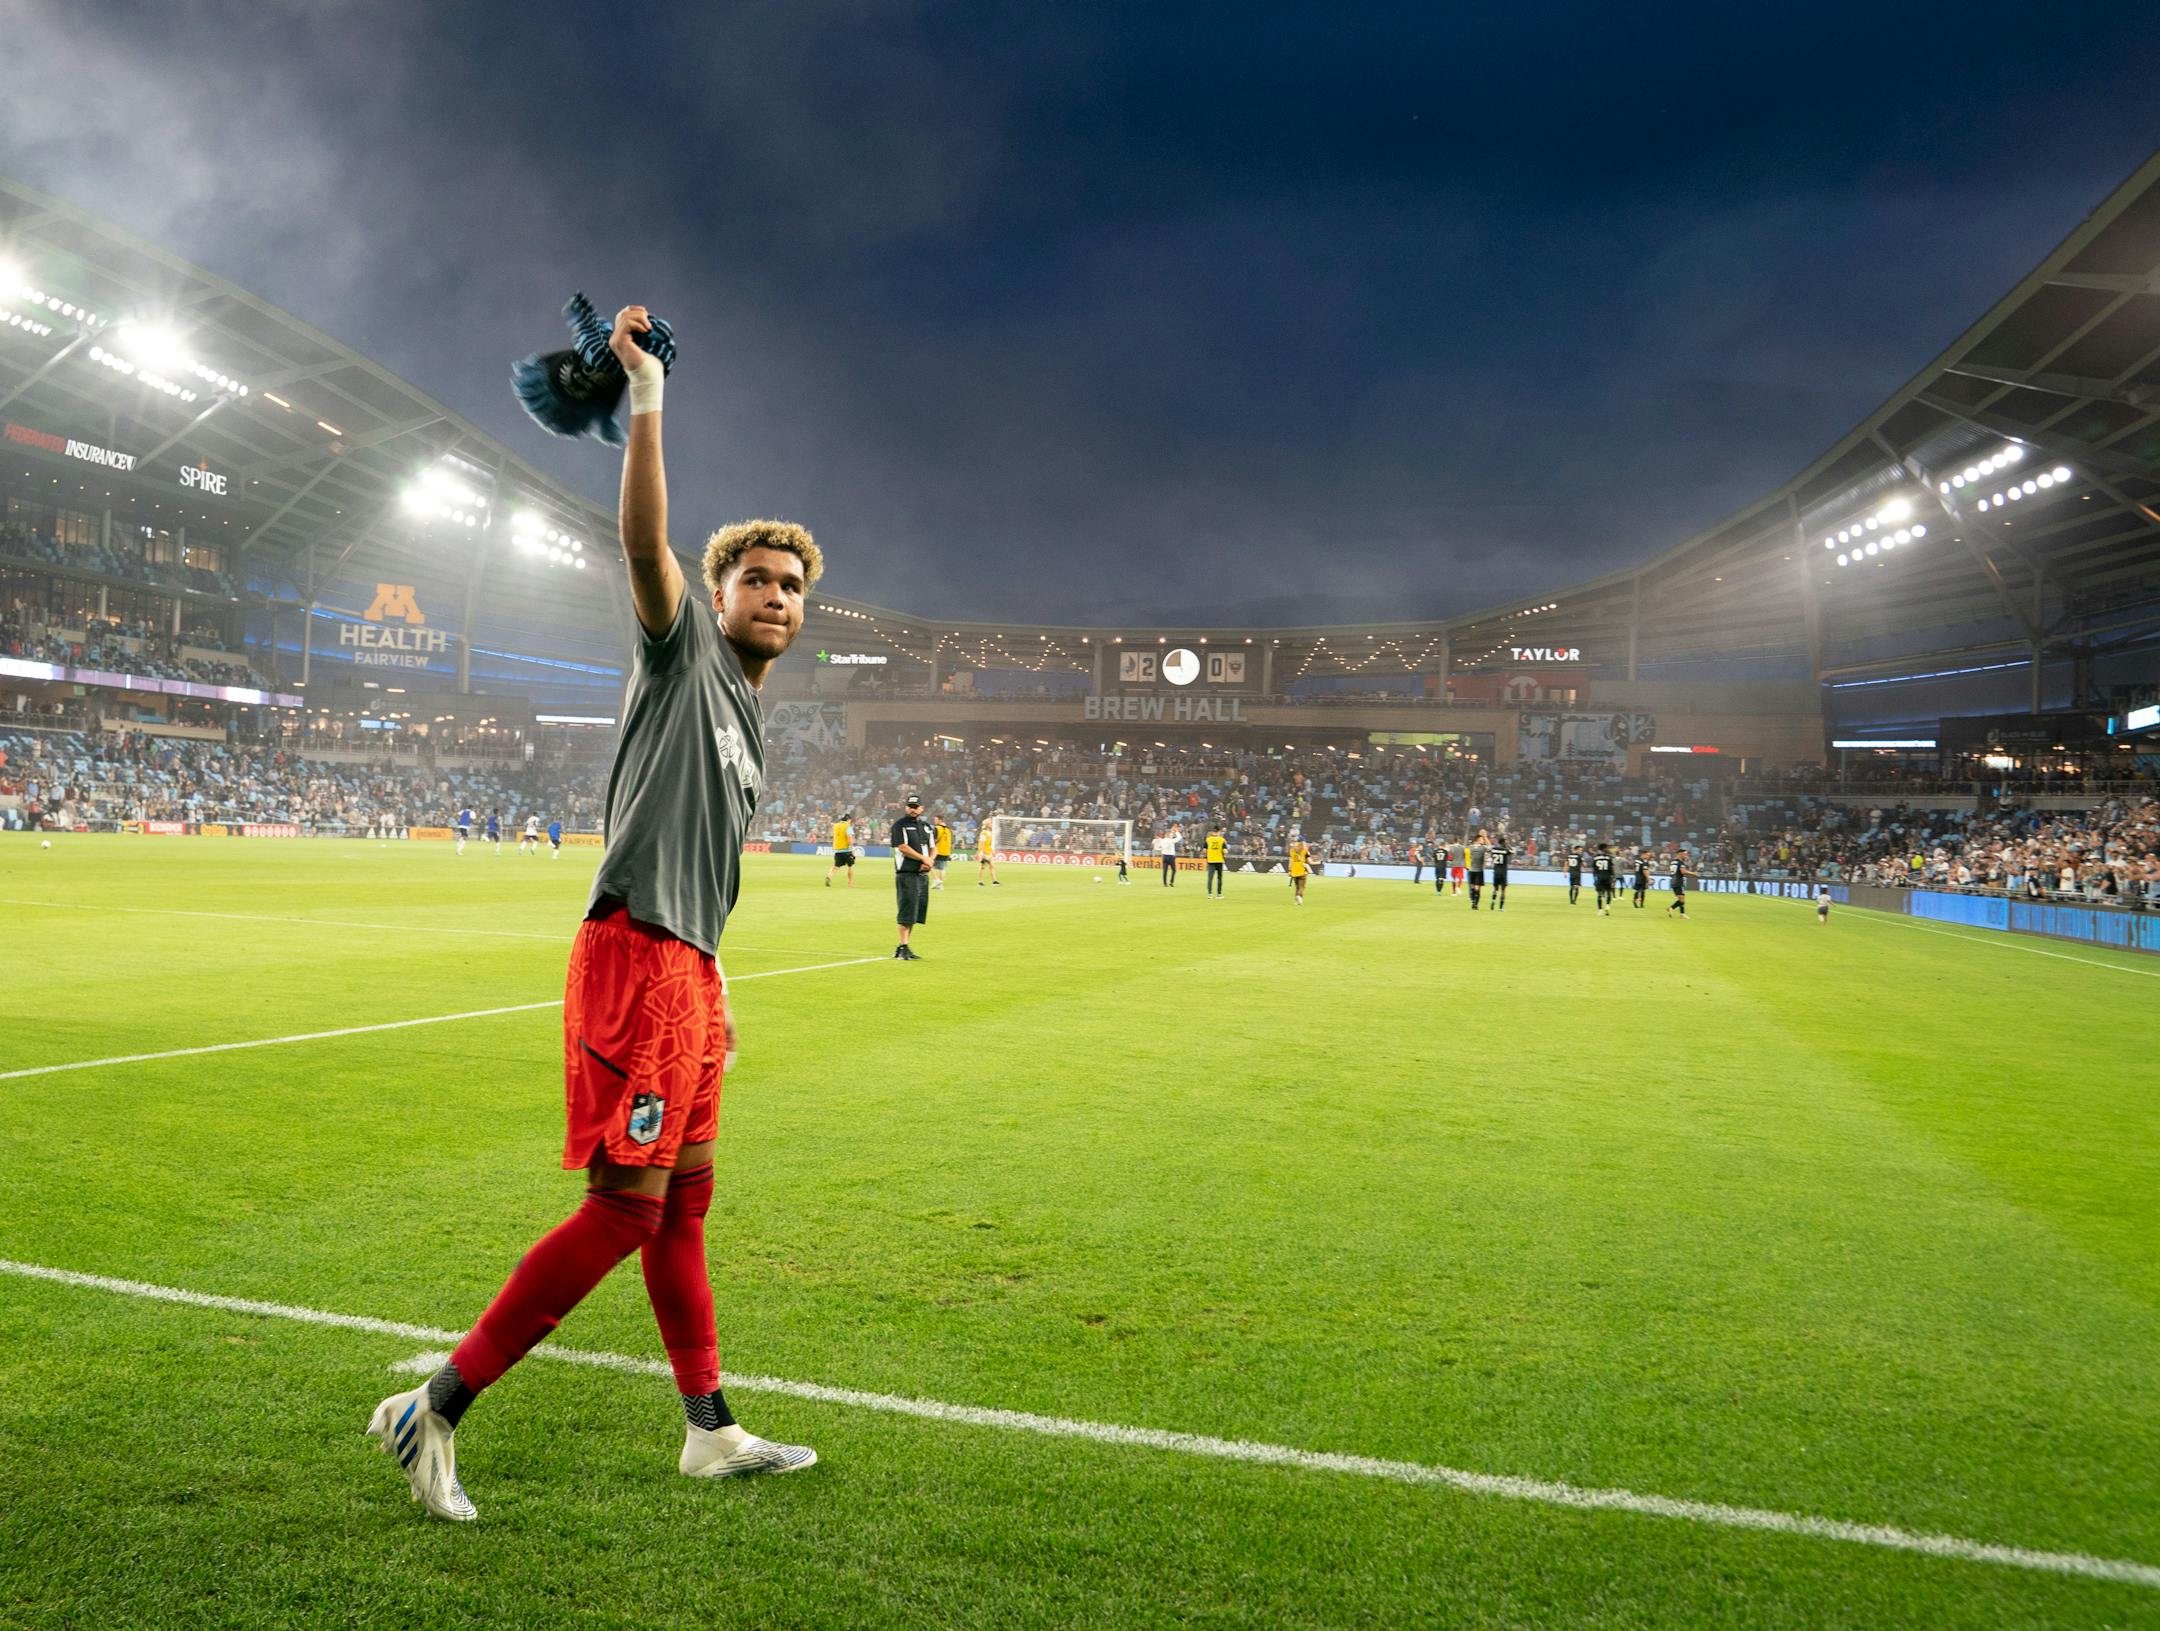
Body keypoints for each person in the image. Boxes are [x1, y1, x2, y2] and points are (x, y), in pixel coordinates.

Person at [366, 304, 821, 1522]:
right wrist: (647, 396)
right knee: (624, 1207)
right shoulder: (683, 653)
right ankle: (434, 1404)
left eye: (789, 586)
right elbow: (642, 543)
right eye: (755, 579)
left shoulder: (751, 707)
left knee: (685, 1201)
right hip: (635, 957)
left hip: (694, 971)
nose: (774, 596)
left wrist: (716, 982)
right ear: (715, 593)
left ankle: (710, 1428)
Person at [891, 795, 934, 959]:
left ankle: (904, 946)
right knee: (906, 911)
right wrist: (923, 859)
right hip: (907, 873)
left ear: (921, 808)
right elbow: (903, 847)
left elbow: (933, 847)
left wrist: (929, 862)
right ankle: (903, 947)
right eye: (910, 806)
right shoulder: (899, 825)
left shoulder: (926, 827)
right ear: (906, 808)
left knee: (914, 913)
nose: (913, 809)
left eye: (916, 806)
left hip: (922, 874)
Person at [827, 811, 855, 888]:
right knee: (850, 866)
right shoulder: (848, 826)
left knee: (836, 866)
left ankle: (829, 877)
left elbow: (832, 826)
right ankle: (850, 883)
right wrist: (852, 850)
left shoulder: (836, 826)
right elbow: (850, 838)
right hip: (846, 850)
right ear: (848, 819)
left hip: (837, 850)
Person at [1488, 831, 1512, 911]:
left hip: (1496, 872)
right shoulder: (1505, 850)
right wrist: (1508, 845)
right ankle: (1500, 908)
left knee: (1495, 889)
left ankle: (1493, 901)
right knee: (1503, 890)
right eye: (1505, 842)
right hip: (1503, 873)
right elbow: (1512, 851)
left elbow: (1491, 854)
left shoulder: (1494, 849)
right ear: (1503, 843)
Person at [1591, 842, 1616, 916]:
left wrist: (1594, 879)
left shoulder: (1595, 857)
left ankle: (1600, 910)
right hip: (1607, 877)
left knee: (1599, 894)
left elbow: (1594, 870)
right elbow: (1612, 869)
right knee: (1609, 892)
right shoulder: (1609, 857)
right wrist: (1613, 878)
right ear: (1605, 848)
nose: (1608, 849)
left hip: (1599, 877)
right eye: (1607, 847)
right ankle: (1607, 906)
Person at [1466, 830, 1487, 910]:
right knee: (1478, 888)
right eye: (1481, 839)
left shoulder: (1470, 848)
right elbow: (1490, 846)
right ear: (1478, 840)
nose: (1483, 841)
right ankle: (1475, 904)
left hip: (1471, 870)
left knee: (1472, 887)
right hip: (1479, 871)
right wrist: (1485, 836)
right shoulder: (1482, 848)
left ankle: (1472, 900)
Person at [1667, 850, 1692, 918]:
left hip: (1673, 881)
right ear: (1680, 854)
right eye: (1685, 854)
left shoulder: (1673, 862)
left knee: (1681, 898)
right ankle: (1671, 908)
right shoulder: (1680, 862)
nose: (1686, 856)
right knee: (1682, 900)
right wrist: (1693, 874)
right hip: (1678, 881)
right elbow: (1683, 871)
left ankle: (1682, 914)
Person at [1205, 824, 1227, 897]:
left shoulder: (1208, 839)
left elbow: (1204, 850)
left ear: (1213, 832)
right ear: (1219, 832)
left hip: (1211, 861)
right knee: (1219, 878)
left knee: (1210, 878)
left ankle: (1209, 893)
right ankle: (1219, 894)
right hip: (1219, 861)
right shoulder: (1222, 840)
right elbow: (1225, 851)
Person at [931, 816, 952, 890]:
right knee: (942, 868)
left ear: (940, 820)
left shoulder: (936, 828)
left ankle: (936, 880)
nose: (934, 821)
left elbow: (932, 839)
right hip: (946, 851)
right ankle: (940, 885)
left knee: (930, 865)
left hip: (937, 850)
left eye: (935, 819)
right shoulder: (948, 829)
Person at [976, 822, 1000, 886]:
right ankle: (980, 881)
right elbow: (983, 843)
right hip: (984, 852)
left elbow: (988, 844)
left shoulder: (990, 833)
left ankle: (994, 881)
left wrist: (992, 851)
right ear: (987, 825)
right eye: (990, 823)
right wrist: (982, 853)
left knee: (992, 866)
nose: (992, 824)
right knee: (982, 867)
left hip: (989, 852)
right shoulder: (983, 833)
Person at [1288, 836, 1310, 904]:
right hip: (1302, 870)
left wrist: (1289, 870)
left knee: (1297, 886)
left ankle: (1297, 901)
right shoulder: (1305, 849)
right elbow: (1308, 860)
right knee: (1302, 886)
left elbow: (1291, 860)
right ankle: (1299, 896)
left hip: (1294, 870)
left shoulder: (1292, 850)